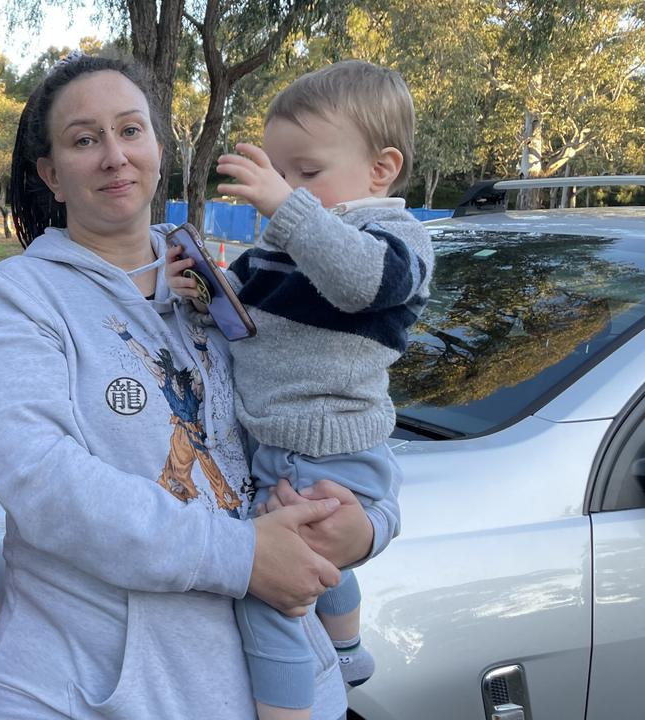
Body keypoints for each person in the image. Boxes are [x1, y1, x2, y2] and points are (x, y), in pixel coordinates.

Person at [0, 52, 393, 719]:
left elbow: (333, 405)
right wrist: (242, 555)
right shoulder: (20, 298)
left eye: (131, 130)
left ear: (159, 147)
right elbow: (45, 483)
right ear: (52, 175)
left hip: (278, 686)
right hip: (92, 692)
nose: (113, 155)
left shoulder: (222, 282)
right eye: (84, 139)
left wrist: (366, 526)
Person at [167, 59, 433, 720]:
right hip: (273, 447)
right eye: (281, 174)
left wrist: (289, 209)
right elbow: (243, 330)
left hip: (338, 451)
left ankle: (312, 687)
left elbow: (357, 282)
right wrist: (203, 297)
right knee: (317, 565)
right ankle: (346, 653)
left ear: (381, 169)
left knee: (275, 599)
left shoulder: (397, 241)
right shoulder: (276, 252)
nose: (284, 189)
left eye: (305, 173)